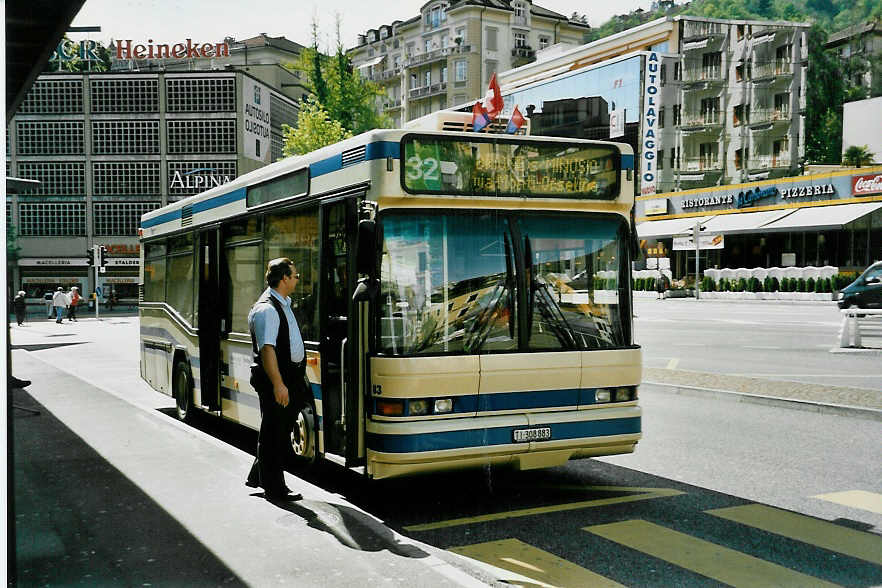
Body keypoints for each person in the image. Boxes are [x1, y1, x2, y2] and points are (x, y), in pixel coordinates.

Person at [245, 257, 306, 502]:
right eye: (294, 275)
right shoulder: (268, 309)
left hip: (290, 375)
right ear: (284, 279)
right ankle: (275, 489)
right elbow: (267, 350)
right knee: (273, 434)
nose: (297, 279)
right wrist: (278, 384)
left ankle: (259, 476)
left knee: (277, 431)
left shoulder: (283, 304)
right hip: (278, 378)